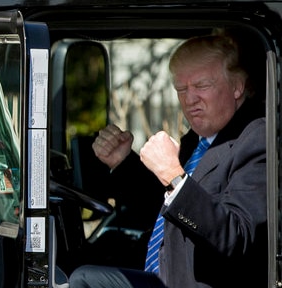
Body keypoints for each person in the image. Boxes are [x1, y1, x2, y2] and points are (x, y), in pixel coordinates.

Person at [69, 33, 267, 288]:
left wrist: (174, 175)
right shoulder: (198, 140)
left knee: (83, 279)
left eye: (202, 86)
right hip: (162, 274)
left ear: (237, 86)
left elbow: (236, 236)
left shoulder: (255, 138)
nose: (189, 99)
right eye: (181, 89)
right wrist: (123, 163)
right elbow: (164, 209)